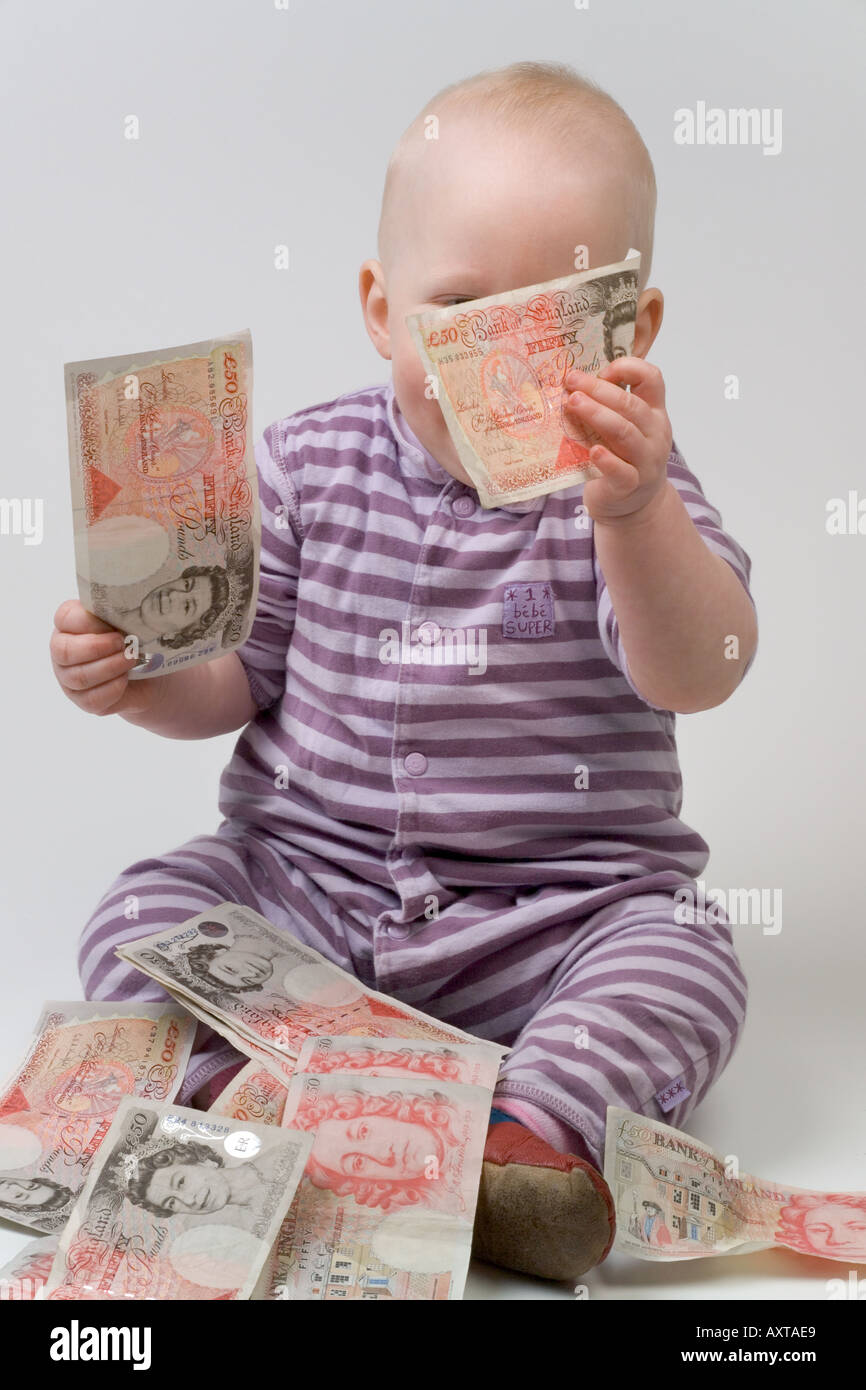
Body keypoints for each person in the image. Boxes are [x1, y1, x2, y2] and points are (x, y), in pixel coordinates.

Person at [51, 60, 757, 1284]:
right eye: (460, 310)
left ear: (632, 332)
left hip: (559, 913)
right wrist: (142, 679)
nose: (502, 367)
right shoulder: (307, 467)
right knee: (141, 910)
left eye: (552, 319)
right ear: (382, 310)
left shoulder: (627, 490)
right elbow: (239, 679)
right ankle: (248, 1095)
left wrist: (634, 510)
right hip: (307, 894)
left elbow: (699, 669)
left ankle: (522, 1139)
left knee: (688, 951)